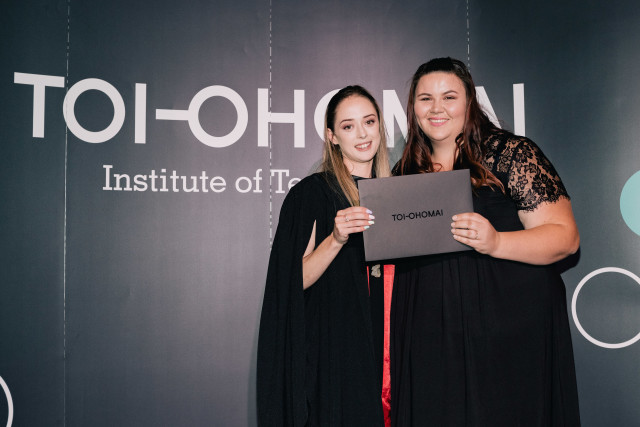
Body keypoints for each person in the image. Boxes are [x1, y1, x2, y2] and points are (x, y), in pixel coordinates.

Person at [390, 58, 581, 426]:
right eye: (425, 99)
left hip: (508, 337)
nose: (437, 108)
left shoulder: (511, 153)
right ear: (413, 108)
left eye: (449, 97)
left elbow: (565, 237)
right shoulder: (404, 171)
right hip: (433, 343)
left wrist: (496, 242)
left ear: (470, 102)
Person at [257, 85, 393, 426]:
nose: (362, 134)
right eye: (348, 126)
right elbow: (292, 282)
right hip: (338, 358)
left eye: (369, 122)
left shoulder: (400, 194)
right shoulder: (312, 194)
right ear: (332, 136)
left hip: (394, 355)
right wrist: (335, 239)